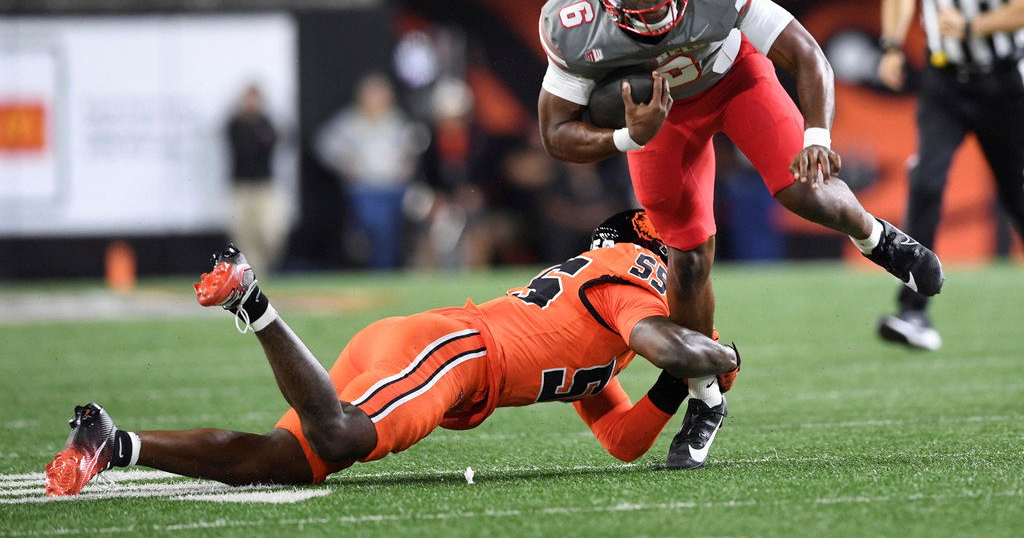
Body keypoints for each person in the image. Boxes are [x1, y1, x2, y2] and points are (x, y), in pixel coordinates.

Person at [537, 0, 945, 470]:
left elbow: (804, 52)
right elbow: (556, 133)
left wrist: (817, 133)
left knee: (802, 188)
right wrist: (629, 137)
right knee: (687, 259)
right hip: (660, 121)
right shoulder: (572, 24)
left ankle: (877, 237)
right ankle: (706, 399)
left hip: (735, 80)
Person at [43, 210, 740, 496]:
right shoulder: (634, 270)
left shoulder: (605, 334)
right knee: (341, 433)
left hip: (431, 347)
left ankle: (117, 442)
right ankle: (252, 301)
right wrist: (712, 355)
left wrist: (680, 384)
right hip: (457, 353)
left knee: (284, 462)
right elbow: (655, 334)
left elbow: (620, 439)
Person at [876, 0, 1024, 350]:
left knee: (1017, 193)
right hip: (944, 84)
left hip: (1003, 82)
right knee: (927, 183)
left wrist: (976, 25)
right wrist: (893, 44)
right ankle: (914, 312)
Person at [315, 73, 420, 269]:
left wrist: (408, 165)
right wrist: (345, 164)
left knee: (390, 234)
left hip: (393, 188)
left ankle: (386, 272)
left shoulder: (397, 121)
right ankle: (372, 266)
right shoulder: (349, 122)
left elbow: (413, 147)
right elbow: (324, 145)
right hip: (365, 188)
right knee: (374, 228)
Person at [225, 83, 288, 275]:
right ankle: (255, 276)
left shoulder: (266, 123)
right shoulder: (235, 124)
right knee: (244, 235)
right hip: (242, 187)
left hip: (265, 187)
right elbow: (245, 147)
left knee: (270, 232)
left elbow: (274, 141)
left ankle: (267, 266)